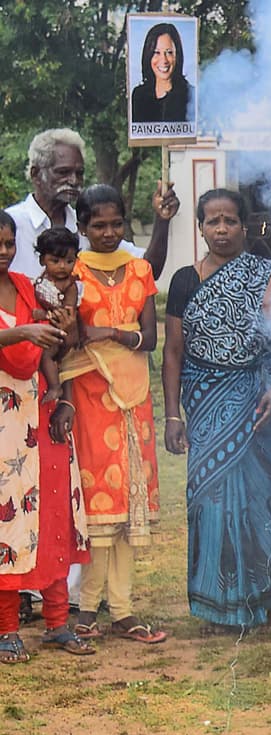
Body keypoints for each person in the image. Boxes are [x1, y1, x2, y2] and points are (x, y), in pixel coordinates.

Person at [161, 189, 271, 634]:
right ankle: (217, 605)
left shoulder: (267, 274)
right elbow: (173, 351)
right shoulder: (185, 280)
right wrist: (173, 415)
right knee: (209, 501)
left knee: (265, 498)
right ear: (199, 227)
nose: (221, 229)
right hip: (204, 399)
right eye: (212, 221)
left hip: (257, 400)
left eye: (229, 221)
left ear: (244, 225)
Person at [61, 186, 165, 644]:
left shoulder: (140, 270)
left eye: (116, 224)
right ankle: (86, 609)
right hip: (87, 395)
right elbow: (72, 337)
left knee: (127, 505)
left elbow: (150, 339)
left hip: (134, 399)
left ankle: (122, 610)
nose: (108, 233)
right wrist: (111, 335)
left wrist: (109, 333)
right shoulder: (73, 273)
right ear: (81, 226)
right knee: (96, 503)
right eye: (98, 225)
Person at [0, 211, 92, 662]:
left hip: (41, 410)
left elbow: (58, 344)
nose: (2, 250)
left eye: (8, 242)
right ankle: (6, 629)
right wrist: (21, 331)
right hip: (4, 420)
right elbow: (23, 338)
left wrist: (64, 399)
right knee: (8, 520)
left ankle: (57, 622)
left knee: (52, 509)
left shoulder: (25, 286)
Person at [5, 128, 178, 281]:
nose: (74, 181)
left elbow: (148, 270)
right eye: (63, 172)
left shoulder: (87, 226)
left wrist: (162, 220)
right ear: (36, 174)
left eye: (79, 173)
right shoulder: (13, 224)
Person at [30, 227, 83, 406]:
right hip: (43, 327)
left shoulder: (69, 285)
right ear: (42, 259)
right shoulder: (44, 278)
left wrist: (43, 314)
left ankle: (55, 387)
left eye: (69, 261)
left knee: (46, 356)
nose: (62, 266)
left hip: (61, 330)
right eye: (56, 260)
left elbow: (67, 314)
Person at [130, 23, 191, 124]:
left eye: (169, 52)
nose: (164, 60)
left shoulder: (190, 95)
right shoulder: (139, 95)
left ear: (177, 56)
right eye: (156, 52)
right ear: (148, 55)